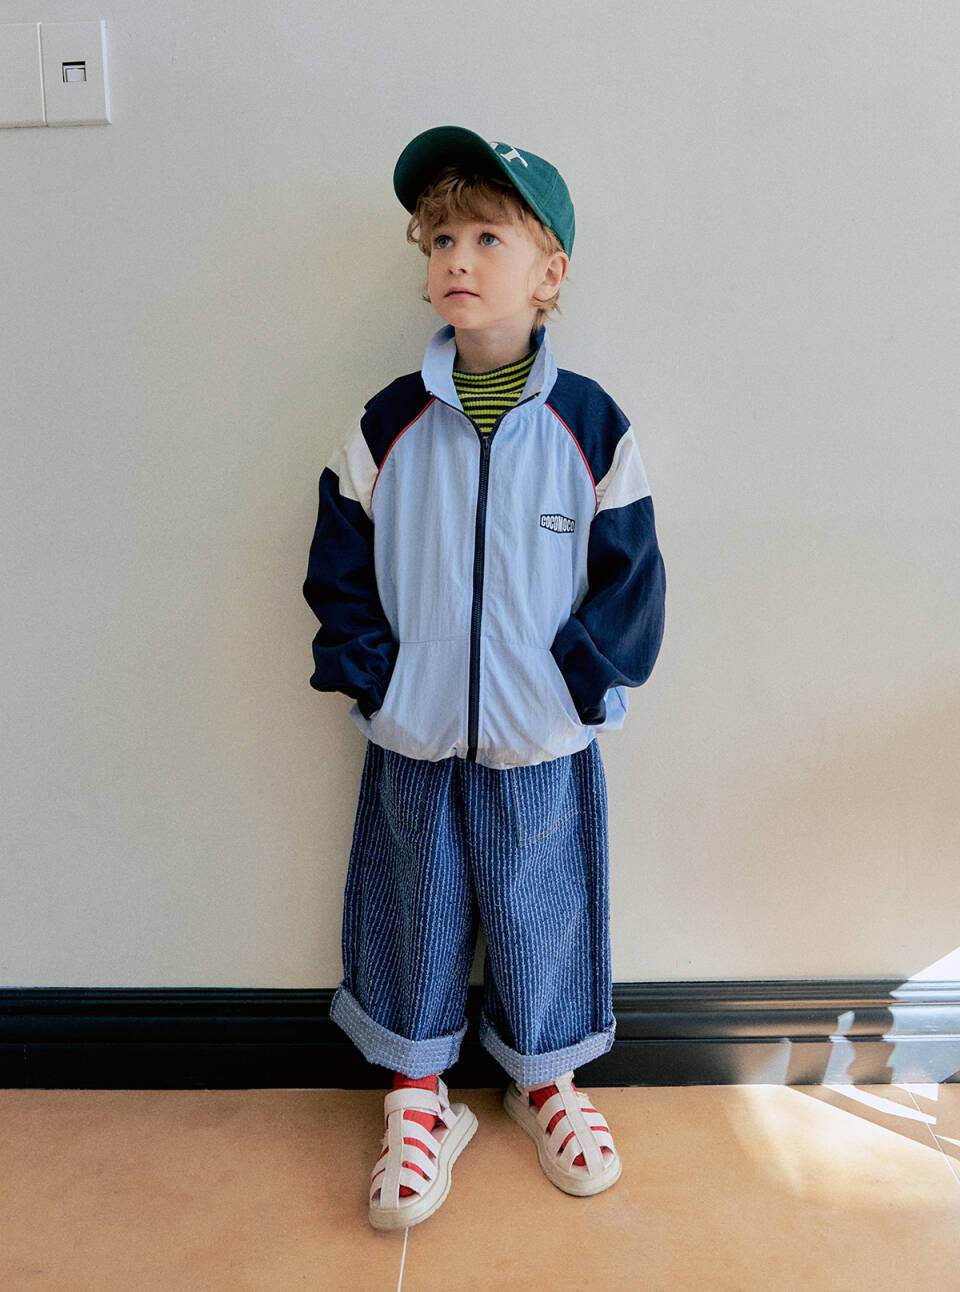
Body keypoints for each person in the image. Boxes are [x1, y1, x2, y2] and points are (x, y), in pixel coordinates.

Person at [302, 125, 666, 1230]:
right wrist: (378, 682)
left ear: (550, 271)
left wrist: (577, 688)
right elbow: (337, 564)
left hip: (540, 737)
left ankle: (546, 1079)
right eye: (442, 239)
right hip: (414, 734)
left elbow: (631, 578)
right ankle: (418, 1095)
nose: (458, 257)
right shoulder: (389, 422)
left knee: (541, 909)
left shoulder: (589, 423)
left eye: (488, 238)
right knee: (412, 907)